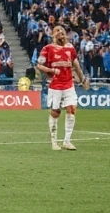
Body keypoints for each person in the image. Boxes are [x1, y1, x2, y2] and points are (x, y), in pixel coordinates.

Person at [36, 23, 89, 151]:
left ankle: (67, 141)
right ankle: (54, 141)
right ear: (53, 34)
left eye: (62, 30)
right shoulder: (47, 49)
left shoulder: (70, 48)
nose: (60, 32)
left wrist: (82, 79)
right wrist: (52, 70)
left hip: (69, 84)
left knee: (72, 109)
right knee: (56, 112)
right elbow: (39, 65)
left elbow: (76, 66)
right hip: (55, 86)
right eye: (57, 30)